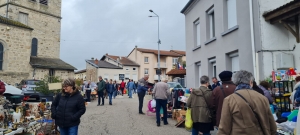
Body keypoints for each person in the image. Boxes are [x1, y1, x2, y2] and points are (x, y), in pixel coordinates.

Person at [217, 70, 277, 135]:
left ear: (235, 82)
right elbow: (272, 126)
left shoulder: (229, 100)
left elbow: (224, 128)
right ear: (251, 82)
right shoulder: (263, 98)